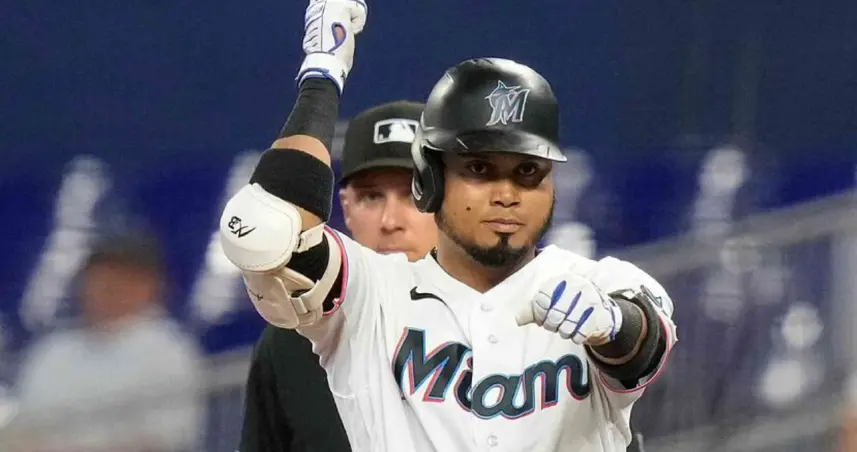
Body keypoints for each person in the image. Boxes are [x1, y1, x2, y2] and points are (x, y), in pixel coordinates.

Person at [220, 0, 677, 450]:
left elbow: (644, 345)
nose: (506, 194)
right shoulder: (371, 296)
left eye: (528, 172)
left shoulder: (599, 283)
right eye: (479, 170)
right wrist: (321, 76)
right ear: (431, 180)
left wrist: (613, 325)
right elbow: (268, 229)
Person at [239, 100, 437, 452]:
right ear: (345, 209)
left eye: (414, 195)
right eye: (371, 197)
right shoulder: (290, 343)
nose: (390, 221)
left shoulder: (498, 327)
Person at [9, 232, 205, 452]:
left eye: (124, 278)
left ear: (151, 287)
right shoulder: (53, 351)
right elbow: (23, 427)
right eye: (100, 277)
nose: (109, 287)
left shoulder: (168, 350)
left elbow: (167, 438)